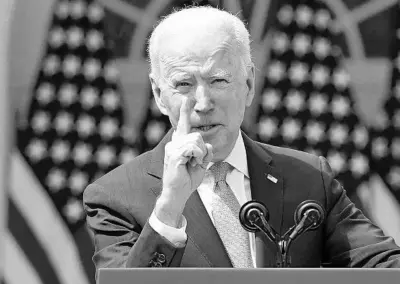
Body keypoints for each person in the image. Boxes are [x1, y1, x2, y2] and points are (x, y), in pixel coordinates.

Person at [83, 6, 400, 275]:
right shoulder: (114, 197)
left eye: (218, 80)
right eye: (183, 84)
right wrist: (168, 208)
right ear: (158, 94)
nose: (203, 102)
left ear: (248, 84)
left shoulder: (309, 178)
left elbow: (385, 266)